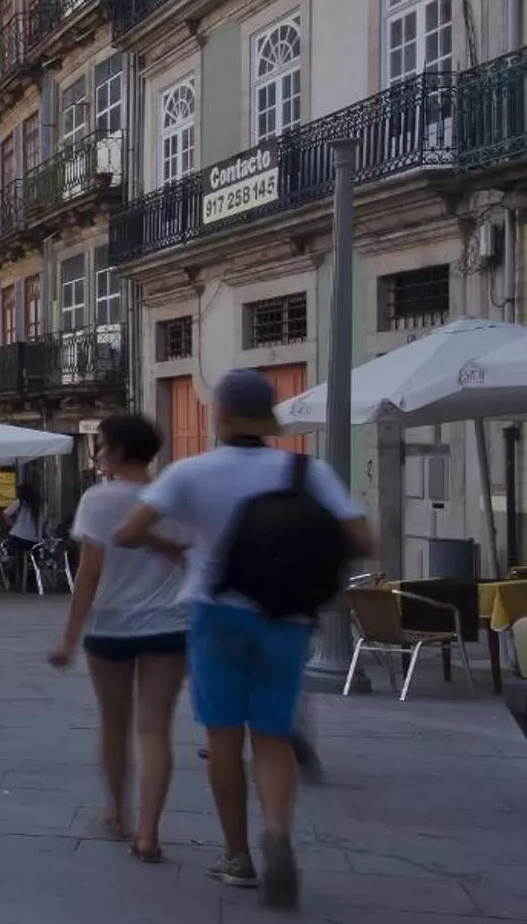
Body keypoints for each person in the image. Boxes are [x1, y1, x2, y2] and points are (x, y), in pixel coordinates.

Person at [115, 369, 371, 909]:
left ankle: (237, 855)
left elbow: (128, 532)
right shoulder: (308, 471)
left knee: (224, 738)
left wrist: (179, 550)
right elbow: (363, 538)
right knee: (272, 737)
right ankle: (276, 831)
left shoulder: (193, 472)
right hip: (287, 617)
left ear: (221, 415)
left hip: (216, 612)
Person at [48, 412, 190, 862]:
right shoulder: (173, 498)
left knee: (113, 722)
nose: (98, 456)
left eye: (102, 447)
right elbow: (190, 557)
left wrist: (68, 640)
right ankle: (148, 833)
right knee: (155, 729)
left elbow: (89, 574)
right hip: (168, 624)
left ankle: (116, 812)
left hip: (111, 626)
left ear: (121, 451)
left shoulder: (99, 499)